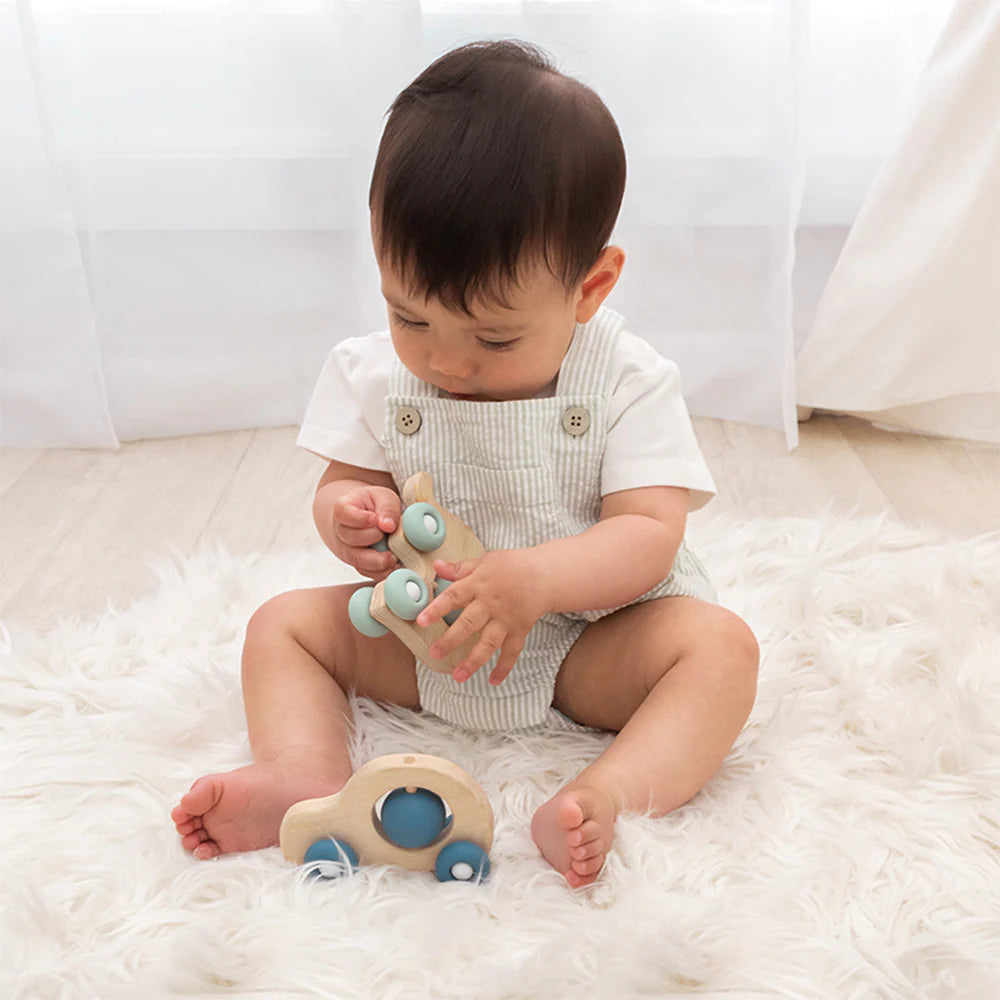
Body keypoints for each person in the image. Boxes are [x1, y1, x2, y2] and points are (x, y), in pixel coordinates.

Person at [172, 39, 759, 888]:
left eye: (492, 336)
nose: (446, 362)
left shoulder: (626, 378)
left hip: (585, 645)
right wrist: (348, 516)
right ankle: (305, 770)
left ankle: (608, 792)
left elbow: (649, 532)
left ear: (590, 288)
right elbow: (347, 483)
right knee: (282, 627)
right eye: (412, 318)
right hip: (422, 640)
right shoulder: (374, 372)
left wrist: (537, 582)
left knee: (720, 651)